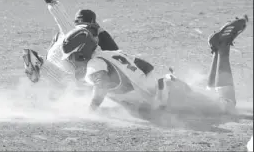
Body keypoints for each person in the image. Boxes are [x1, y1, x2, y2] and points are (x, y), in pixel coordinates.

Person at [57, 15, 248, 113]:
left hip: (169, 97)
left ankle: (223, 50)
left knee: (227, 107)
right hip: (168, 87)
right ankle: (218, 49)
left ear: (81, 52)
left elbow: (101, 86)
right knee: (214, 97)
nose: (73, 62)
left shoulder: (94, 65)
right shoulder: (110, 54)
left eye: (73, 57)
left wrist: (91, 111)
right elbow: (145, 67)